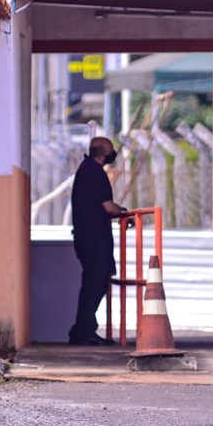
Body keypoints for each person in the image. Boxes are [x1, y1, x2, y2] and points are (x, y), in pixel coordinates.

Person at [68, 137, 127, 346]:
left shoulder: (85, 170)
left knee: (93, 283)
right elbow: (109, 207)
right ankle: (83, 331)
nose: (113, 155)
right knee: (95, 284)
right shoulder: (95, 173)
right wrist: (122, 212)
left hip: (87, 237)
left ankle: (84, 330)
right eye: (111, 151)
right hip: (95, 239)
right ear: (103, 153)